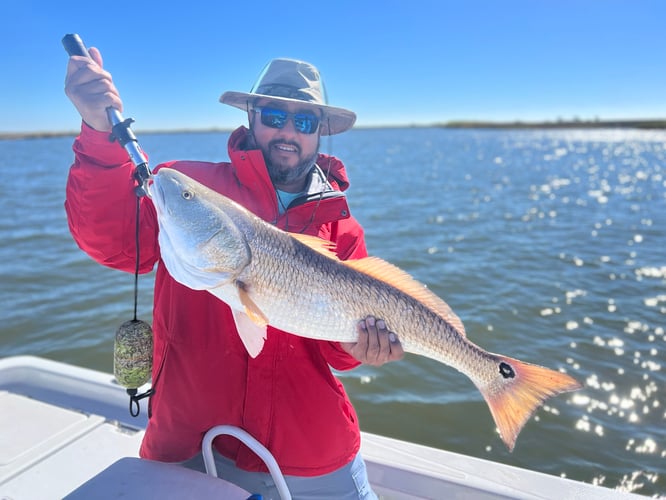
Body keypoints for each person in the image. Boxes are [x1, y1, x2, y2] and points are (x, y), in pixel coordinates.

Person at [64, 48, 404, 499]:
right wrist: (98, 132)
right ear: (251, 116)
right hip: (186, 441)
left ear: (320, 133)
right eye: (274, 114)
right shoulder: (187, 186)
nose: (287, 131)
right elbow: (112, 242)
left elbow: (340, 357)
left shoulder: (341, 226)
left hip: (312, 453)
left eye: (304, 122)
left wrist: (362, 347)